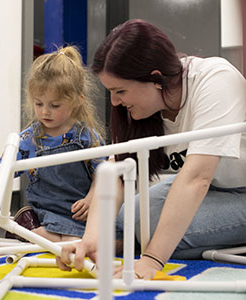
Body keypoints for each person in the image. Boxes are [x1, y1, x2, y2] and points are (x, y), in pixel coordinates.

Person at [56, 19, 246, 278]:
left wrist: (152, 260)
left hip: (230, 188)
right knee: (129, 216)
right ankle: (131, 241)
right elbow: (116, 171)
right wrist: (92, 238)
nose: (115, 101)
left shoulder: (215, 79)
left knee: (155, 228)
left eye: (120, 90)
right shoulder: (145, 111)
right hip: (219, 185)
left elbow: (196, 179)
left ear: (156, 79)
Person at [0, 46, 107, 242]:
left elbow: (103, 173)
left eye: (54, 105)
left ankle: (29, 233)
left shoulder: (86, 136)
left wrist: (91, 198)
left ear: (77, 101)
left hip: (83, 213)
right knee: (72, 243)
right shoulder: (29, 139)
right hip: (48, 214)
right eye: (39, 104)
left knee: (116, 238)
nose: (45, 112)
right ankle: (31, 230)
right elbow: (0, 171)